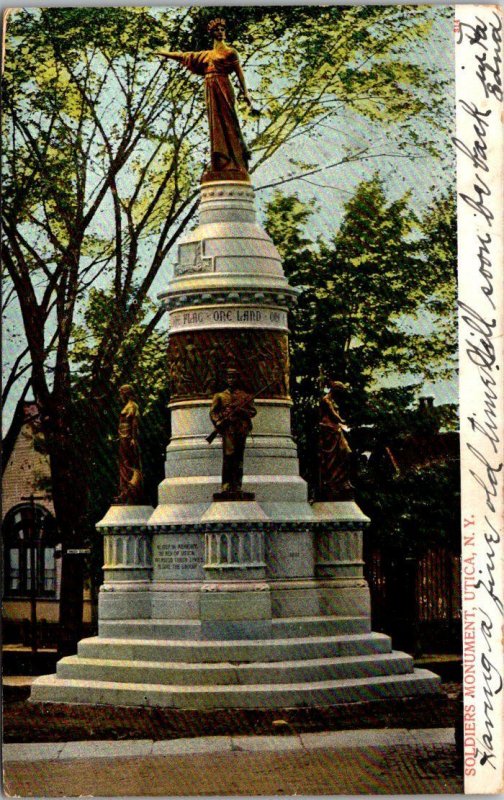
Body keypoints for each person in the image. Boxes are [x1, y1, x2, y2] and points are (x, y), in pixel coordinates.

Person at [158, 18, 252, 181]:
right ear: (212, 33)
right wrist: (161, 52)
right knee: (215, 123)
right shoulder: (206, 55)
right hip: (210, 88)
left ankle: (235, 162)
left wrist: (246, 93)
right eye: (217, 30)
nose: (221, 32)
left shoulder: (230, 52)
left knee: (229, 122)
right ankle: (221, 160)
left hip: (223, 86)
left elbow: (239, 74)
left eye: (223, 29)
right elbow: (184, 56)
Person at [210, 368, 257, 494]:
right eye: (229, 378)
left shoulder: (245, 396)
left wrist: (242, 411)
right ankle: (226, 485)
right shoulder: (219, 396)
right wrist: (219, 421)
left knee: (239, 458)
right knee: (228, 456)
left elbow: (252, 411)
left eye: (234, 377)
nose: (231, 380)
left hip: (240, 429)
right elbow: (213, 412)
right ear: (226, 379)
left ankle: (237, 485)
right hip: (228, 429)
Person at [319, 380, 354, 500]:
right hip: (329, 430)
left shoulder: (332, 400)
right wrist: (343, 421)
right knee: (333, 457)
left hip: (336, 429)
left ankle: (341, 481)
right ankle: (333, 482)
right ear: (335, 390)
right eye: (340, 391)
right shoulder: (326, 400)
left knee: (345, 452)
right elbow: (333, 414)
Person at [115, 385, 144, 505]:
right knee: (123, 462)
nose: (120, 396)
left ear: (126, 393)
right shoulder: (127, 406)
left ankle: (131, 490)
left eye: (122, 393)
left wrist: (133, 438)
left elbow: (135, 423)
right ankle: (125, 490)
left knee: (129, 462)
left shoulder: (133, 406)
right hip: (123, 437)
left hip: (128, 438)